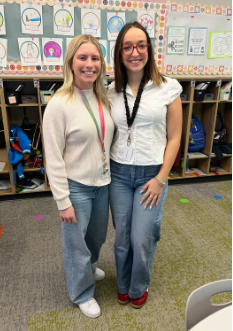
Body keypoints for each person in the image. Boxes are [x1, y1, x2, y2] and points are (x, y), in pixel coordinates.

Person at [108, 22, 183, 309]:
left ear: (149, 49)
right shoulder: (112, 90)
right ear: (120, 52)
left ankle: (140, 285)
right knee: (122, 238)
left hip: (152, 174)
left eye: (141, 45)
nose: (134, 52)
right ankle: (123, 284)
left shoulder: (168, 88)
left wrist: (161, 178)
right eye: (127, 47)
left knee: (142, 237)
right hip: (119, 173)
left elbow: (175, 137)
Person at [43, 35, 114, 319]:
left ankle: (88, 266)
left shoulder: (103, 97)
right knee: (76, 244)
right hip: (76, 188)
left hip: (103, 183)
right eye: (82, 58)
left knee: (96, 237)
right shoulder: (59, 104)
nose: (89, 64)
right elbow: (53, 157)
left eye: (95, 58)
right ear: (71, 63)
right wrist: (63, 201)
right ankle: (81, 292)